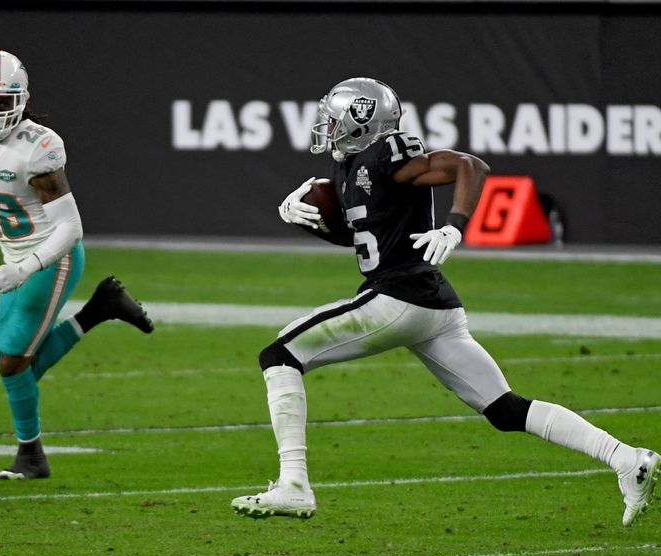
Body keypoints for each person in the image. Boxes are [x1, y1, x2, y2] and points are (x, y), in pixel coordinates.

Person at [231, 77, 659, 526]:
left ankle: (294, 485)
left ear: (362, 124)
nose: (326, 126)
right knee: (505, 409)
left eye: (334, 119)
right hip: (432, 308)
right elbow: (367, 237)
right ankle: (628, 460)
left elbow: (470, 165)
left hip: (398, 299)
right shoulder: (351, 165)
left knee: (280, 355)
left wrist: (454, 226)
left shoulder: (389, 154)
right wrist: (310, 221)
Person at [0, 50, 154, 480]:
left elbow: (71, 227)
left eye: (3, 101)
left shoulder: (39, 147)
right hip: (13, 257)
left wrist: (26, 267)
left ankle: (31, 455)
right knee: (15, 361)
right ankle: (100, 309)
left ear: (22, 98)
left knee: (11, 363)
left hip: (53, 257)